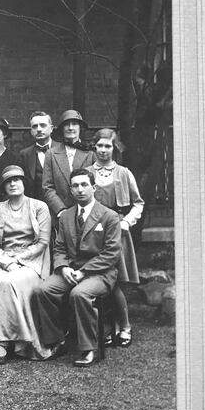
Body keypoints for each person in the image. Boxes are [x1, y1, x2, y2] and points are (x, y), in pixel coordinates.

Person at [32, 168, 122, 367]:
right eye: (75, 186)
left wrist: (84, 271)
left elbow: (111, 254)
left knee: (79, 294)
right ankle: (57, 340)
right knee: (43, 290)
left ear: (93, 187)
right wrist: (63, 268)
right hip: (71, 270)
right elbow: (60, 247)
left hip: (100, 273)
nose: (80, 189)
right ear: (71, 190)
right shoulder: (66, 216)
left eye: (84, 185)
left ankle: (88, 348)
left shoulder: (109, 216)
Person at [0, 165, 53, 365]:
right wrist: (5, 260)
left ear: (24, 183)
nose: (13, 184)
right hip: (3, 258)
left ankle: (19, 342)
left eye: (17, 180)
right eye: (8, 182)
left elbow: (42, 242)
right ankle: (1, 340)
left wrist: (18, 260)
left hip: (32, 259)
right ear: (3, 188)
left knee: (13, 282)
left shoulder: (39, 207)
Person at [91, 128, 144, 347]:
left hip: (117, 232)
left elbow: (138, 203)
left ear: (115, 148)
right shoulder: (86, 172)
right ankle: (106, 328)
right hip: (93, 233)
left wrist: (126, 222)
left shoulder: (123, 173)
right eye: (100, 146)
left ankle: (124, 326)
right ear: (94, 147)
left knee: (115, 283)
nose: (103, 150)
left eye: (107, 146)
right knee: (98, 280)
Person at [42, 109, 96, 223]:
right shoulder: (51, 154)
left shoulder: (90, 153)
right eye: (67, 125)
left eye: (74, 124)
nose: (71, 128)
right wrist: (61, 210)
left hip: (88, 213)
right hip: (61, 215)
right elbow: (47, 187)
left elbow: (96, 185)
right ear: (62, 129)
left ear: (80, 127)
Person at [18, 111, 54, 201]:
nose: (39, 129)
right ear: (31, 131)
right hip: (35, 204)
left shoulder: (62, 149)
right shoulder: (24, 154)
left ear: (51, 128)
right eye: (35, 126)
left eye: (43, 125)